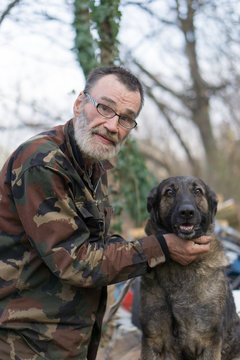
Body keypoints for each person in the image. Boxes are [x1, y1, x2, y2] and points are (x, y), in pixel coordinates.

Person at [0, 66, 211, 360]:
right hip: (27, 342)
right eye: (104, 108)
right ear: (79, 104)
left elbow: (95, 243)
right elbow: (74, 261)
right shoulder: (42, 162)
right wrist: (161, 247)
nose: (113, 126)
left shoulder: (93, 163)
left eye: (126, 119)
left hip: (69, 339)